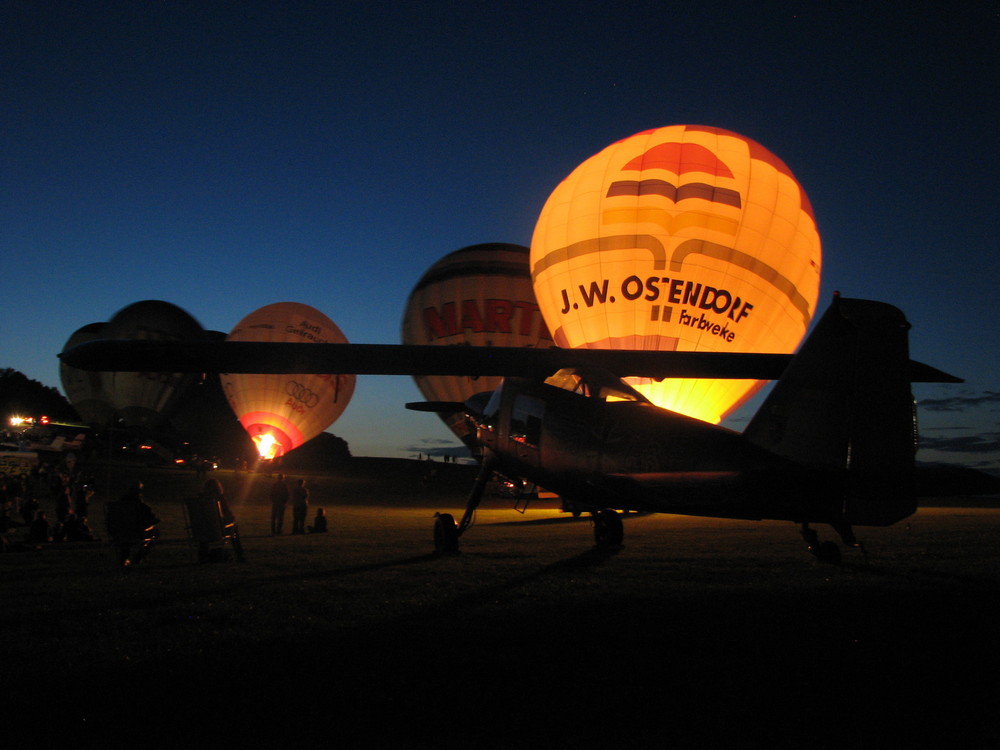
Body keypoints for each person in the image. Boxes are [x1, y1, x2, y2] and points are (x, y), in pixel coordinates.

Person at [189, 479, 246, 562]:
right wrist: (232, 520)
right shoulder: (219, 499)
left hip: (200, 531)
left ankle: (203, 554)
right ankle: (239, 554)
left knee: (204, 526)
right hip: (217, 531)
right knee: (234, 528)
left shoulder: (199, 500)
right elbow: (228, 514)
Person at [107, 482, 160, 567]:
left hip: (117, 532)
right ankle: (138, 558)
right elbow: (150, 519)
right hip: (135, 533)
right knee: (155, 532)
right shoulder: (139, 505)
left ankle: (124, 558)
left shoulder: (118, 504)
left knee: (126, 534)